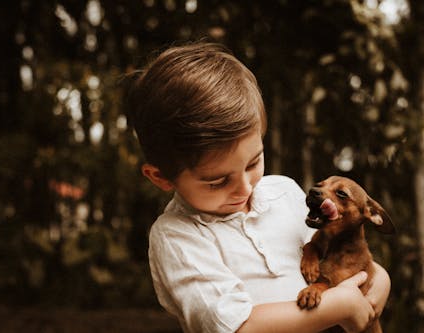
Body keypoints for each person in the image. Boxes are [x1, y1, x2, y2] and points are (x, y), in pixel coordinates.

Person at [127, 42, 391, 333]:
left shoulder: (285, 193)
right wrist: (339, 306)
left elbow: (338, 259)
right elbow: (235, 327)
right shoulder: (178, 236)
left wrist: (380, 281)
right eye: (217, 181)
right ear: (161, 177)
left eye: (254, 163)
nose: (243, 188)